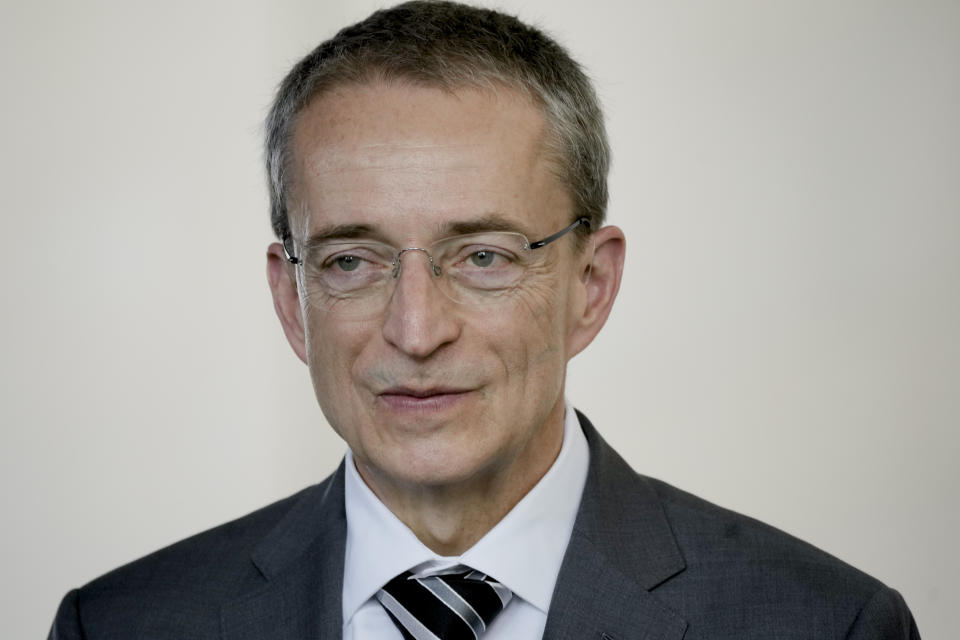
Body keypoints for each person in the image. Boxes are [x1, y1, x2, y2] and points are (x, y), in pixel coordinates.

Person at [48, 2, 920, 638]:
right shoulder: (122, 625)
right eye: (352, 260)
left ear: (591, 284)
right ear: (291, 300)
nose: (417, 330)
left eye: (485, 257)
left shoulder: (827, 624)